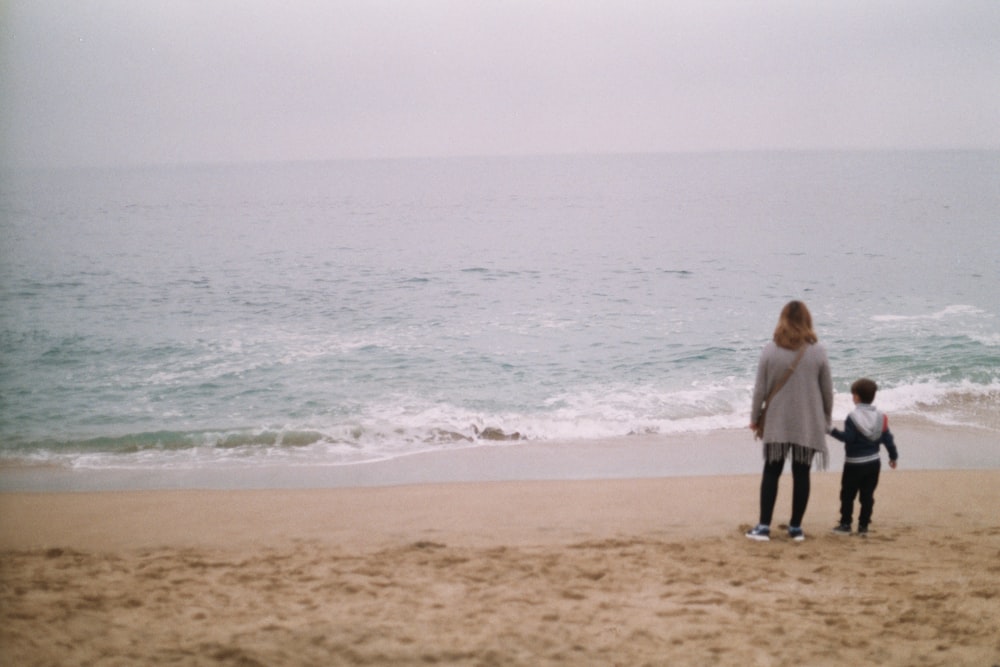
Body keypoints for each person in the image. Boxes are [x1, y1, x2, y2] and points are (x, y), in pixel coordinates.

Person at [746, 300, 833, 542]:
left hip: (777, 421)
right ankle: (796, 528)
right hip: (807, 421)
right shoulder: (818, 351)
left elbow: (759, 390)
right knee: (801, 473)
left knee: (771, 472)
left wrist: (754, 418)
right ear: (807, 320)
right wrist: (825, 419)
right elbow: (827, 391)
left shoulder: (770, 350)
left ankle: (763, 527)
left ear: (782, 320)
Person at [828, 378, 899, 536]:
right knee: (867, 495)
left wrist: (831, 430)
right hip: (874, 463)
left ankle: (846, 524)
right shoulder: (881, 417)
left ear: (856, 397)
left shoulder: (852, 417)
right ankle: (863, 526)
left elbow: (848, 438)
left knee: (847, 495)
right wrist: (893, 457)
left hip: (854, 464)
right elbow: (888, 439)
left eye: (853, 394)